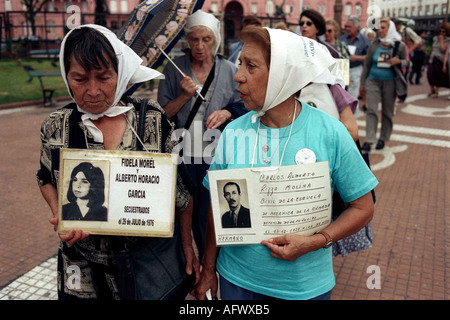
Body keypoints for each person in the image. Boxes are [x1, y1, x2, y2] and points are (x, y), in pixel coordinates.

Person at [193, 26, 378, 300]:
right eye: (240, 63)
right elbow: (216, 209)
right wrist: (209, 269)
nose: (238, 76)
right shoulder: (233, 131)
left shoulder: (330, 132)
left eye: (251, 66)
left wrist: (316, 241)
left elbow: (363, 207)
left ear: (283, 76)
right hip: (236, 282)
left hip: (303, 288)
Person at [37, 24, 199, 300]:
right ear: (66, 75)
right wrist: (61, 215)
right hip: (84, 265)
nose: (92, 91)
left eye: (104, 77)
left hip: (146, 263)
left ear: (120, 73)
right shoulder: (56, 125)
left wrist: (187, 246)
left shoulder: (151, 119)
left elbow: (182, 192)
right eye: (79, 79)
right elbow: (45, 178)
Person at [157, 10, 247, 261]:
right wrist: (184, 96)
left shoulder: (230, 70)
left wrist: (227, 112)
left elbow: (245, 107)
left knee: (215, 206)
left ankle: (216, 262)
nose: (199, 46)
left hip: (216, 150)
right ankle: (191, 264)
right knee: (186, 207)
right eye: (193, 39)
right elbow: (162, 114)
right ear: (187, 40)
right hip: (183, 150)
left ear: (215, 39)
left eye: (206, 39)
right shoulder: (174, 69)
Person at [360, 18, 407, 152]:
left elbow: (407, 63)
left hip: (390, 83)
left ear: (390, 29)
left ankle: (383, 138)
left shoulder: (398, 45)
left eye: (383, 27)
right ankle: (369, 140)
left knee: (387, 112)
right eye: (379, 28)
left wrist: (399, 61)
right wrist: (362, 83)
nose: (380, 30)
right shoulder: (374, 44)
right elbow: (367, 65)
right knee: (372, 110)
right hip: (373, 80)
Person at [340, 16, 371, 102]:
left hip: (356, 69)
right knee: (341, 95)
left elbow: (369, 56)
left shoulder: (364, 40)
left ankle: (353, 115)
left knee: (352, 97)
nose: (347, 28)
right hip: (343, 69)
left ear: (357, 28)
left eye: (349, 27)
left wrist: (358, 57)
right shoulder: (343, 38)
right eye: (346, 26)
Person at [426, 23, 450, 98]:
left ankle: (436, 91)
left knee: (438, 75)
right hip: (432, 58)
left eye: (443, 31)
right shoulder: (435, 38)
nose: (441, 33)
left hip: (440, 59)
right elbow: (433, 47)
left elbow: (443, 49)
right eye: (440, 31)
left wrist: (442, 40)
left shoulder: (447, 40)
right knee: (429, 74)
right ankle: (432, 89)